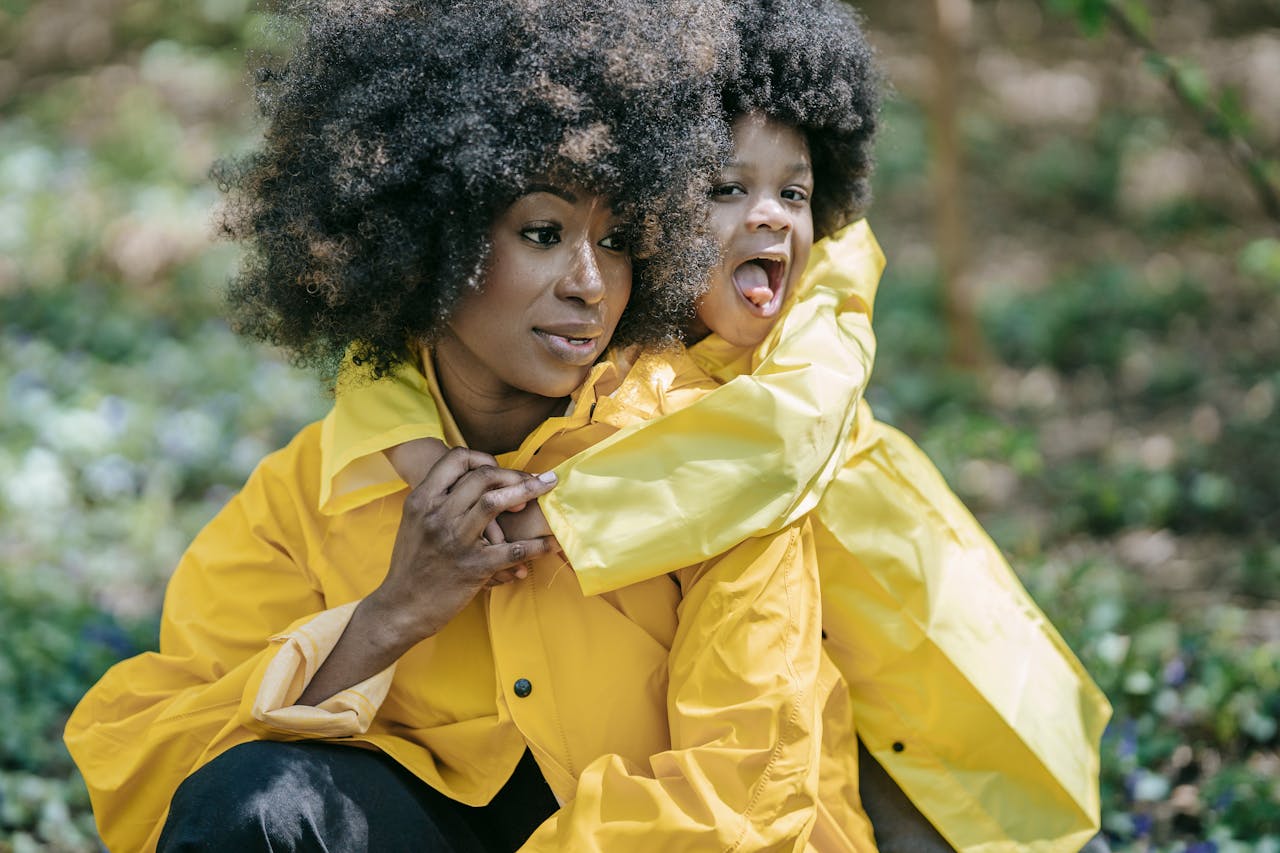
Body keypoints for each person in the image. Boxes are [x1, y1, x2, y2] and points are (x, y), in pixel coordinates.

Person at [66, 1, 887, 850]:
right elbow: (165, 769)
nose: (589, 284)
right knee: (257, 800)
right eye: (544, 231)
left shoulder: (711, 468)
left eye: (617, 241)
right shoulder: (309, 495)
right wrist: (390, 615)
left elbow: (740, 798)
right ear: (427, 237)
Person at [358, 0, 1113, 849]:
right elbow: (386, 361)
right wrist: (416, 451)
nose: (771, 215)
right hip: (801, 687)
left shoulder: (821, 308)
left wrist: (553, 513)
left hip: (912, 663)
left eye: (794, 191)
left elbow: (778, 444)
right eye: (726, 188)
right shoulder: (617, 327)